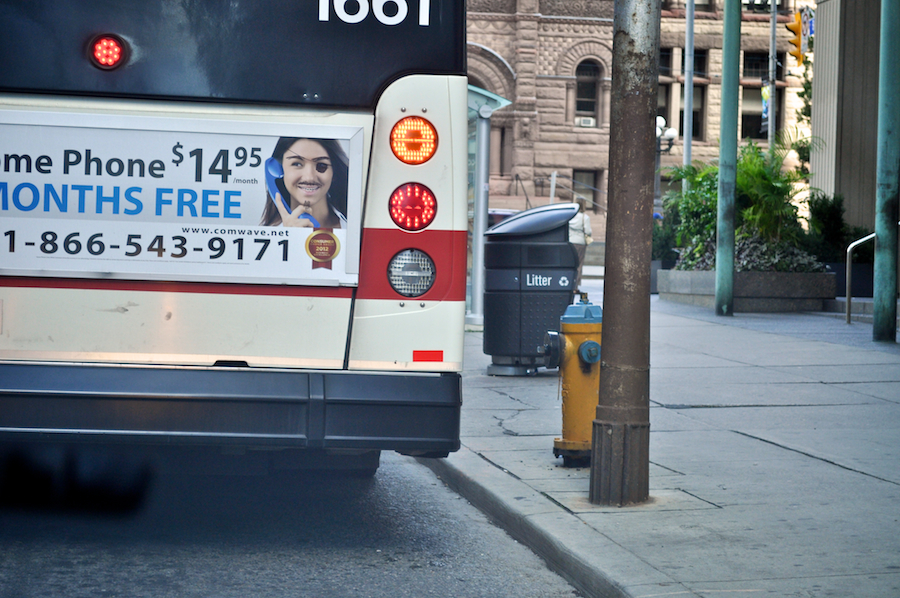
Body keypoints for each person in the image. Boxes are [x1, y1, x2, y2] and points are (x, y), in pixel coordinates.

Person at [260, 137, 349, 228]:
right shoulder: (264, 233)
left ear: (334, 172)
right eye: (297, 164)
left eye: (321, 165)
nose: (309, 177)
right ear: (277, 169)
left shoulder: (352, 227)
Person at [568, 200, 593, 290]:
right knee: (579, 265)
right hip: (580, 243)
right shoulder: (584, 217)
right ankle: (575, 286)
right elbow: (588, 231)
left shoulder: (570, 216)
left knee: (569, 263)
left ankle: (568, 284)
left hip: (570, 241)